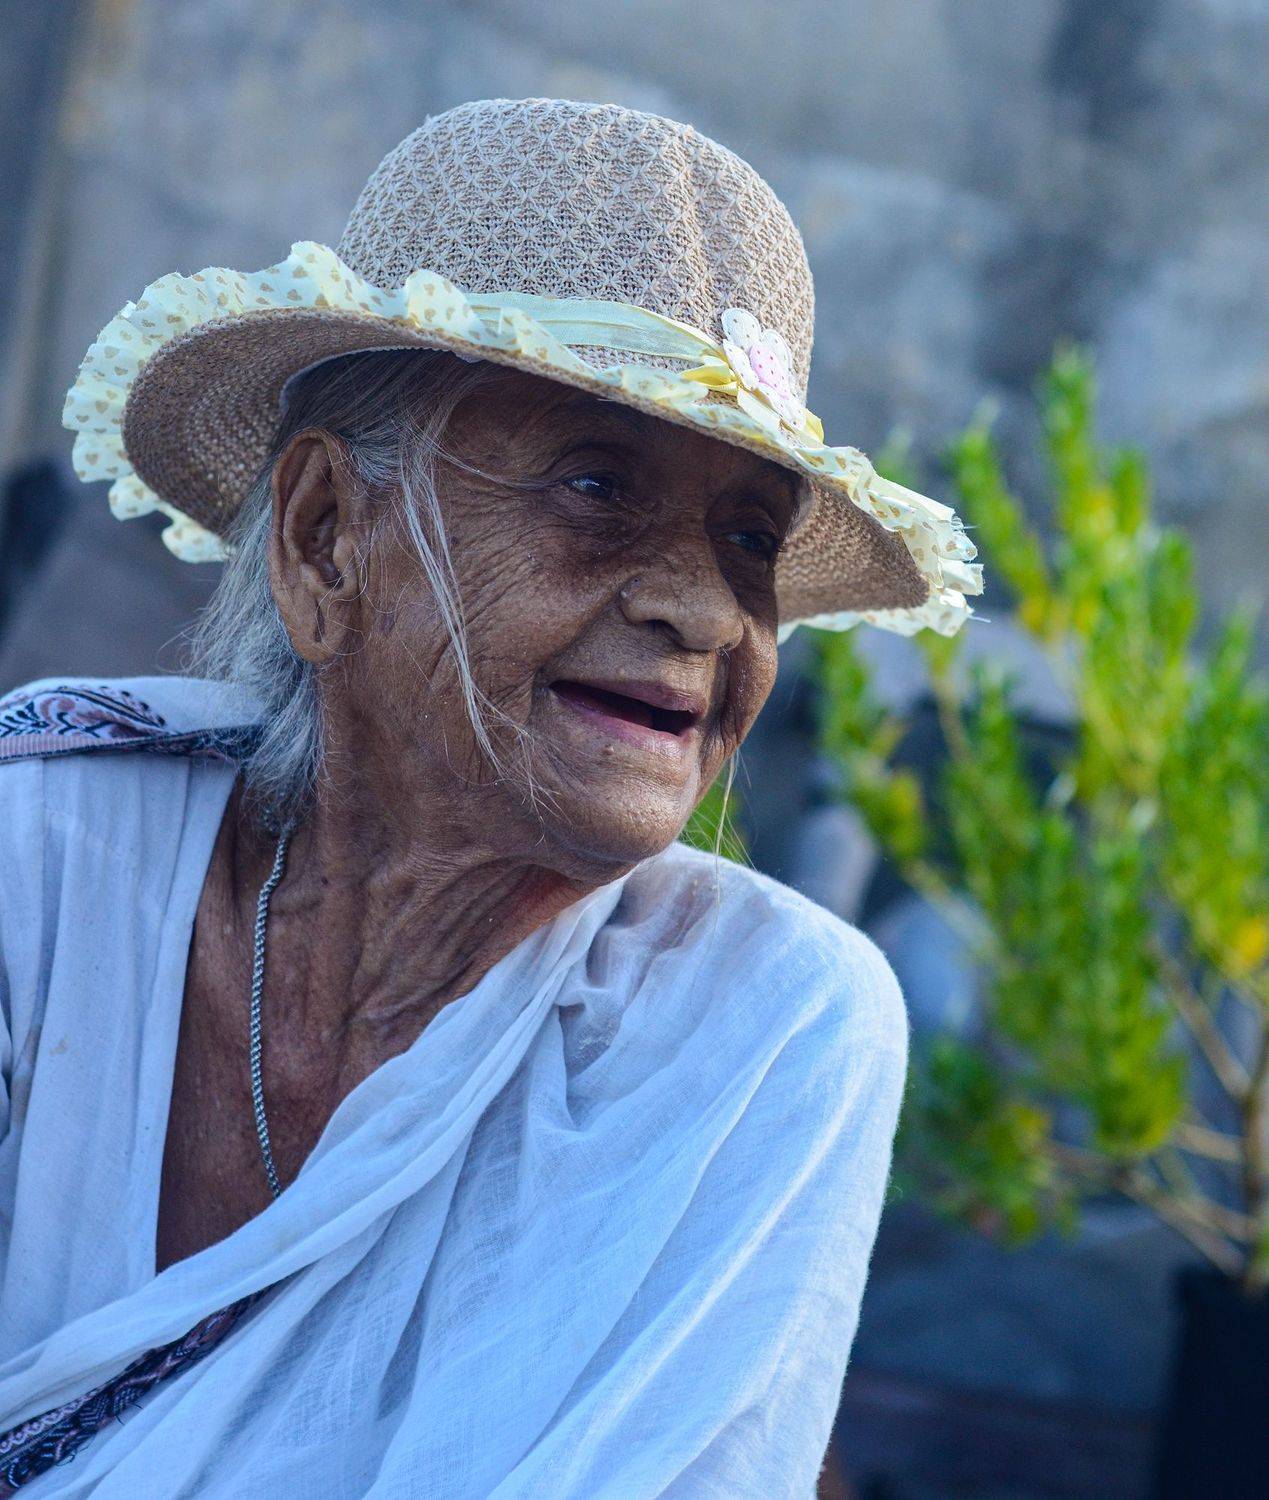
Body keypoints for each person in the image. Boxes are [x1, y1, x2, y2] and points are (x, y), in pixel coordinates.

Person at [0, 98, 983, 1497]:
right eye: (596, 485)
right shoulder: (42, 854)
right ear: (325, 537)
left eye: (749, 539)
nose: (706, 611)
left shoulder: (765, 1019)